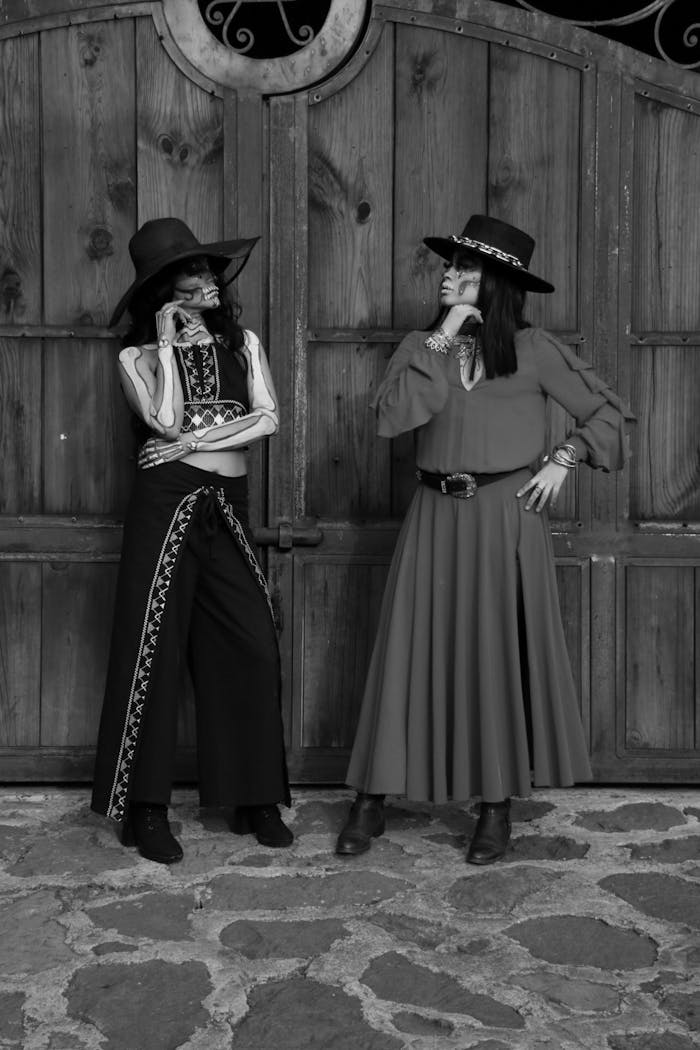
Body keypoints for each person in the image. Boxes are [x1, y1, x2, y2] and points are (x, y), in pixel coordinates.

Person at [335, 214, 633, 864]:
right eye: (448, 266)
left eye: (463, 268)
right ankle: (372, 798)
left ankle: (495, 807)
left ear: (495, 282)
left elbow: (608, 412)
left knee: (497, 656)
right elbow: (391, 417)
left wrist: (564, 458)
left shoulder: (536, 349)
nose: (447, 275)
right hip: (433, 517)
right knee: (406, 652)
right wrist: (444, 333)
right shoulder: (424, 345)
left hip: (506, 518)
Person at [91, 217, 292, 864]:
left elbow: (267, 419)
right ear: (163, 291)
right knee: (152, 645)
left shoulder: (244, 343)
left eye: (207, 269)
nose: (206, 280)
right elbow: (165, 419)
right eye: (190, 273)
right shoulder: (136, 358)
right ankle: (144, 810)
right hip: (165, 502)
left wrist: (193, 443)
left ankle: (254, 797)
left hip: (227, 502)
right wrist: (168, 346)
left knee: (250, 642)